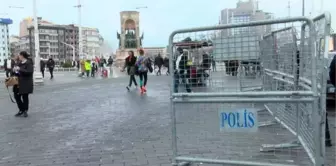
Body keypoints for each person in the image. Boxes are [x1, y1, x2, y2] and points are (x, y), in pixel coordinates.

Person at [12, 51, 34, 117]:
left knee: (25, 97)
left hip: (25, 83)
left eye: (19, 55)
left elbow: (29, 72)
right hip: (17, 83)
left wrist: (20, 69)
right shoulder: (18, 63)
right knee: (16, 96)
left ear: (22, 56)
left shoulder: (29, 63)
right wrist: (14, 70)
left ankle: (25, 110)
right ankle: (21, 109)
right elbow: (16, 73)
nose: (18, 56)